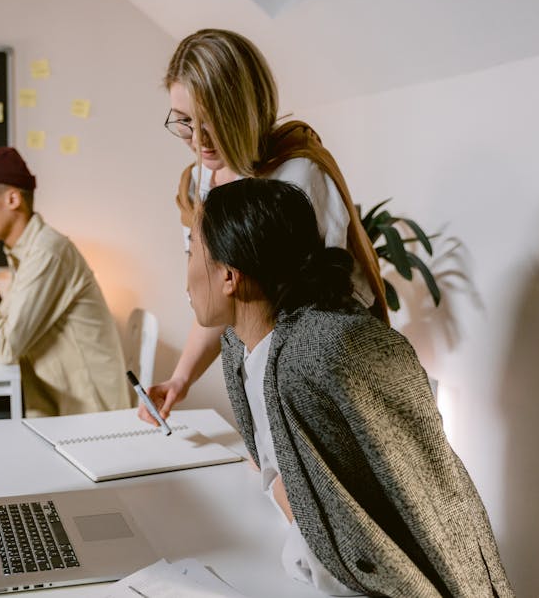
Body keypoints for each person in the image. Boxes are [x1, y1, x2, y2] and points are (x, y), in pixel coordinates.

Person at [183, 177, 513, 596]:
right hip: (310, 571)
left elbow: (431, 501)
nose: (187, 270)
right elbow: (285, 474)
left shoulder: (330, 351)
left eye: (191, 250)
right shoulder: (238, 348)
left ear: (230, 276)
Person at [142, 28, 388, 425]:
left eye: (212, 121)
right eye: (185, 122)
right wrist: (180, 380)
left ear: (246, 108)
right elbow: (221, 296)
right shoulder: (201, 179)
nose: (198, 140)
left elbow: (309, 321)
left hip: (313, 378)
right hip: (257, 368)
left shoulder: (297, 178)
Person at [0, 147, 131, 416]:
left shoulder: (47, 252)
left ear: (13, 199)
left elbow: (6, 348)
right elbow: (4, 324)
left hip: (87, 415)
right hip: (53, 407)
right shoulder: (25, 253)